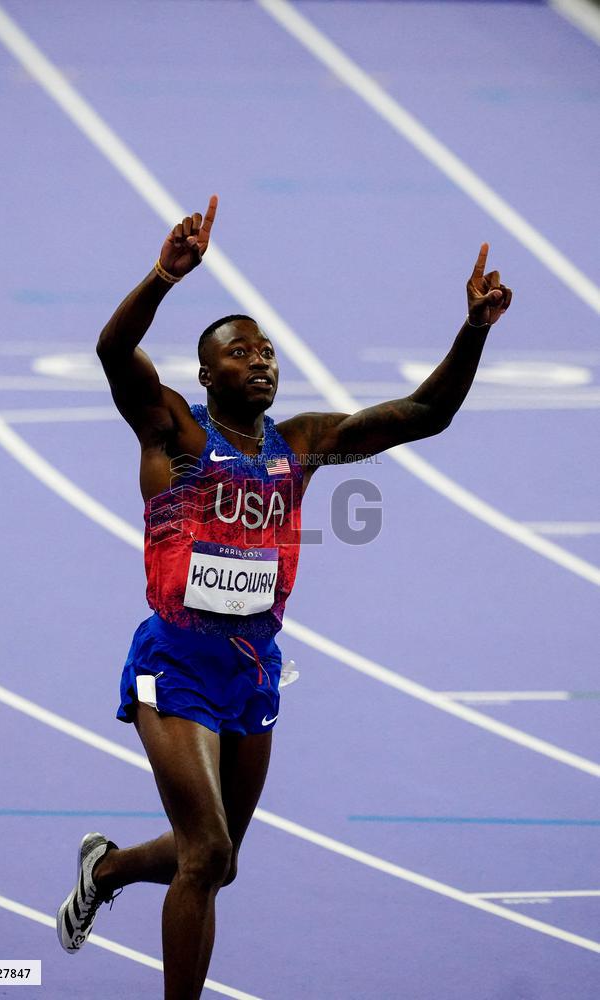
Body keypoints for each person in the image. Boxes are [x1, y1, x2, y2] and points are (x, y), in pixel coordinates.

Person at [56, 194, 511, 998]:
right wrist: (164, 276)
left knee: (218, 858)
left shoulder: (299, 444)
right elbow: (111, 350)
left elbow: (423, 414)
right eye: (241, 352)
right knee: (208, 854)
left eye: (268, 351)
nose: (261, 361)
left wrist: (472, 331)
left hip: (253, 667)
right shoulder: (173, 432)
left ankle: (110, 868)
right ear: (206, 374)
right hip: (178, 663)